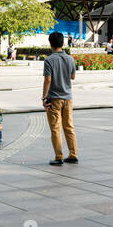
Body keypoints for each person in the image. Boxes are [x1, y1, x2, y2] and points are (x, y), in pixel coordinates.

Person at [42, 32, 79, 166]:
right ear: (63, 43)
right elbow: (73, 77)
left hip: (54, 99)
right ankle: (73, 154)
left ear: (50, 43)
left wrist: (44, 97)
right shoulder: (70, 59)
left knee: (56, 128)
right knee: (69, 126)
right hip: (68, 98)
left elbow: (48, 80)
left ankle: (59, 157)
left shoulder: (49, 60)